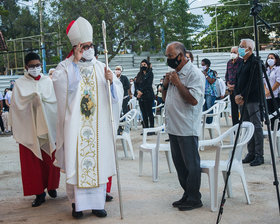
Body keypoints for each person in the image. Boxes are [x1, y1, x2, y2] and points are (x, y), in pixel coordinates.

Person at [52, 17, 123, 219]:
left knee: (97, 162)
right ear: (76, 47)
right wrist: (75, 62)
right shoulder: (64, 68)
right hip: (75, 128)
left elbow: (116, 96)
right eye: (84, 46)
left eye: (91, 46)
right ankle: (76, 204)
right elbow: (63, 90)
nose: (88, 49)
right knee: (77, 163)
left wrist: (112, 83)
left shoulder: (102, 67)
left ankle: (98, 203)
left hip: (98, 128)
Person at [9, 52, 60, 207]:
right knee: (32, 161)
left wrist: (42, 101)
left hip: (47, 126)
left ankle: (52, 187)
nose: (36, 68)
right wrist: (32, 101)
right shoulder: (19, 83)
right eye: (32, 66)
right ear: (26, 67)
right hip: (29, 127)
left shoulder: (47, 81)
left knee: (50, 159)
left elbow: (54, 102)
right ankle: (39, 193)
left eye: (38, 65)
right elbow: (17, 107)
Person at [162, 41, 205, 211]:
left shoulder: (194, 74)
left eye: (171, 56)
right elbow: (165, 99)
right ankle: (187, 194)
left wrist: (178, 83)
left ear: (181, 56)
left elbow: (194, 100)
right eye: (167, 56)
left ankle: (195, 198)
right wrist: (166, 84)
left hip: (187, 126)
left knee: (191, 164)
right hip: (173, 126)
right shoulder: (175, 72)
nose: (168, 59)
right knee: (179, 164)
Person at [235, 38, 264, 166]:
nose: (240, 48)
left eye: (242, 46)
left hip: (252, 100)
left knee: (256, 126)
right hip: (242, 100)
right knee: (247, 127)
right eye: (240, 46)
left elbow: (254, 83)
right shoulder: (241, 62)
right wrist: (236, 94)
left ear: (250, 49)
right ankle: (250, 152)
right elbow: (238, 79)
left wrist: (243, 95)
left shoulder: (255, 62)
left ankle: (259, 154)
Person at [134, 59, 155, 130]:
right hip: (141, 97)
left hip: (148, 95)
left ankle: (151, 129)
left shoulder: (150, 74)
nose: (143, 66)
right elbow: (136, 84)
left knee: (149, 113)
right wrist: (137, 91)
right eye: (142, 65)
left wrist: (141, 91)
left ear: (147, 65)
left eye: (145, 65)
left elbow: (148, 84)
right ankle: (145, 128)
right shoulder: (139, 74)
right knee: (144, 113)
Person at [225, 46, 243, 125]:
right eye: (231, 52)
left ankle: (243, 125)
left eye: (234, 52)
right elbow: (227, 75)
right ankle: (235, 126)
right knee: (233, 109)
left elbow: (242, 76)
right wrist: (227, 84)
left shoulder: (242, 62)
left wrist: (235, 85)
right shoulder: (229, 62)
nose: (232, 54)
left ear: (238, 53)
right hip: (231, 90)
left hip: (240, 89)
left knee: (242, 108)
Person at [264, 53, 280, 130]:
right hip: (267, 96)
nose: (270, 59)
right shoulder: (266, 69)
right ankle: (272, 130)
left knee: (276, 115)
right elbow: (263, 81)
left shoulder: (278, 69)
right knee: (270, 114)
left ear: (276, 59)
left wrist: (270, 91)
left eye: (272, 58)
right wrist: (266, 91)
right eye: (268, 58)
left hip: (275, 95)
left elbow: (278, 82)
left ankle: (276, 131)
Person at [201, 58, 217, 123]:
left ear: (207, 65)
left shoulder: (212, 72)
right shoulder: (201, 72)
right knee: (204, 108)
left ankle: (210, 122)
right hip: (203, 93)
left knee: (209, 108)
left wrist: (206, 75)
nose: (202, 66)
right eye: (201, 65)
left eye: (203, 65)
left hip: (210, 93)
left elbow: (211, 81)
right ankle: (205, 122)